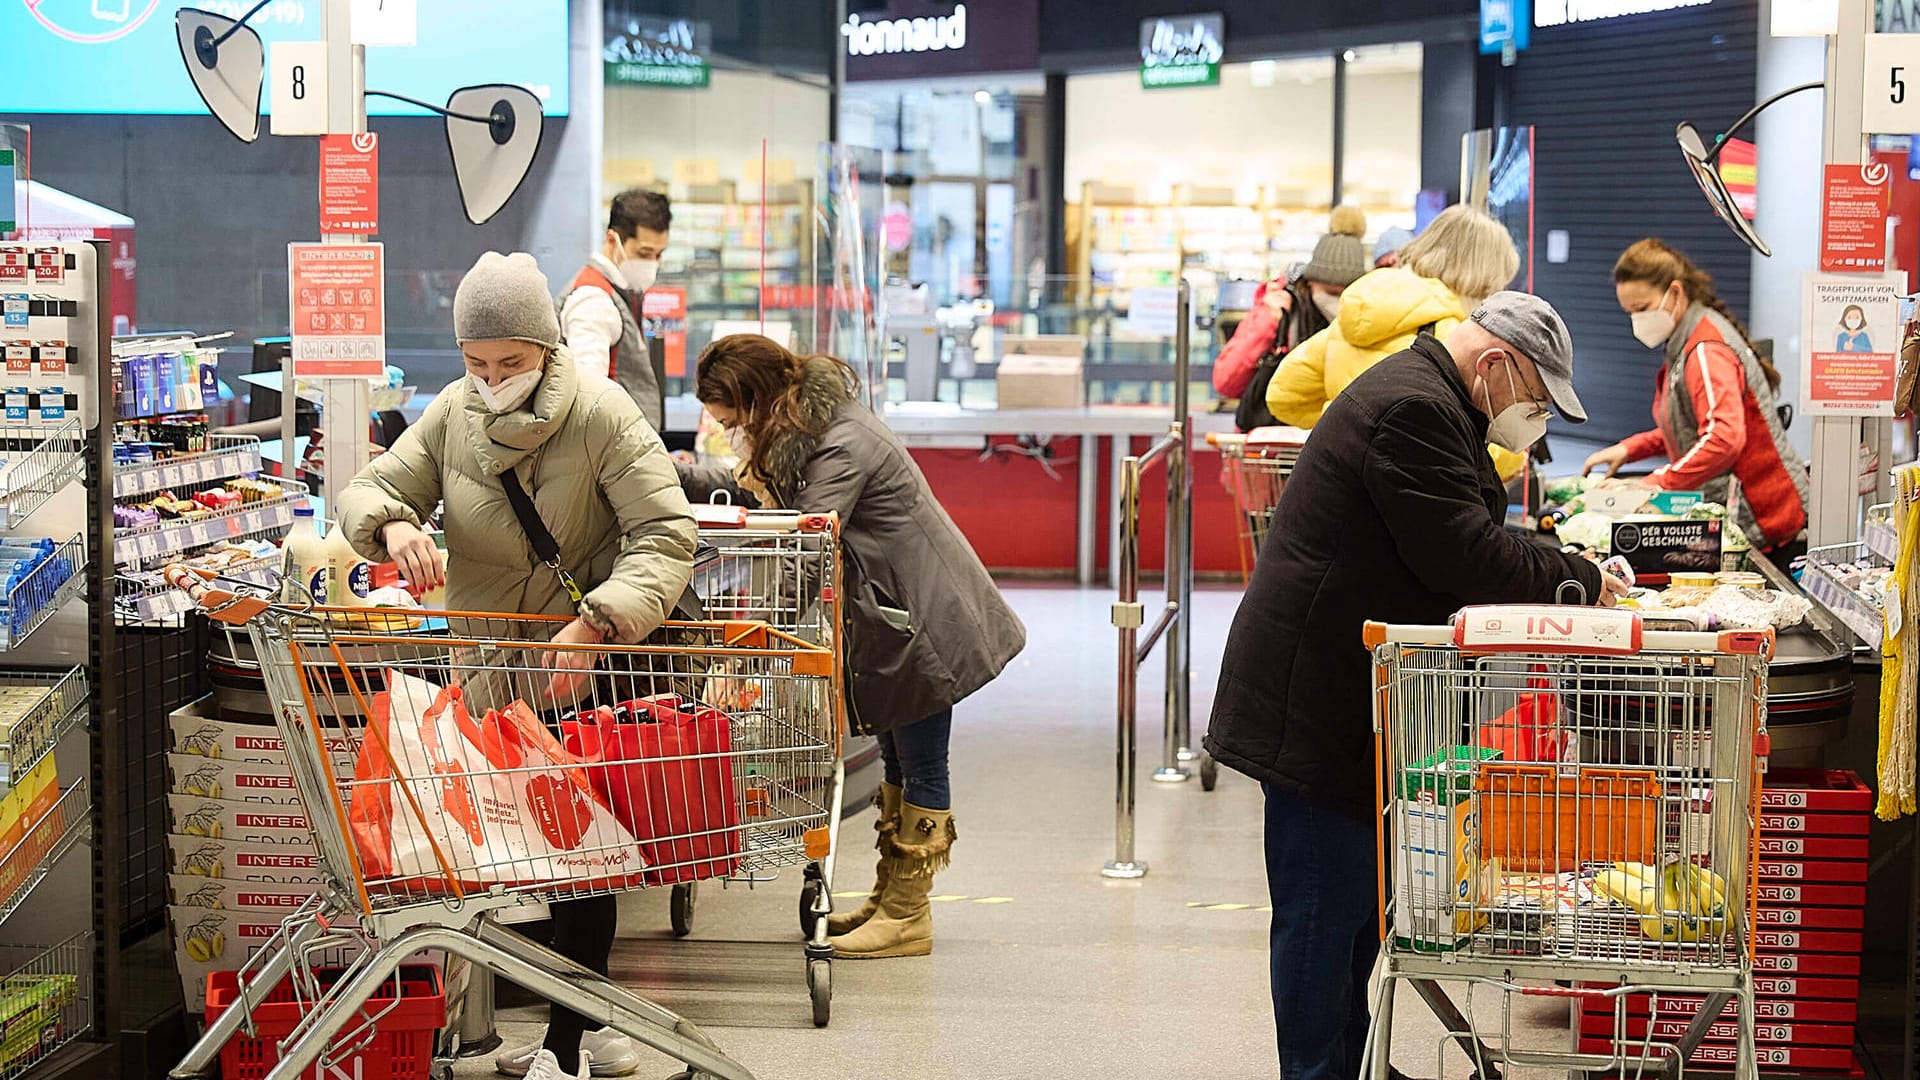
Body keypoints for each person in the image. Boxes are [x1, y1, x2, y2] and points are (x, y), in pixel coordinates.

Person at [1206, 292, 1624, 1080]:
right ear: (1496, 365)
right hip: (1315, 698)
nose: (1532, 422)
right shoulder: (1412, 407)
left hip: (1347, 694)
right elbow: (1462, 554)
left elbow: (1457, 535)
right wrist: (1578, 580)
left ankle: (1349, 1061)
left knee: (1355, 915)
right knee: (1322, 914)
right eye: (1534, 402)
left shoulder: (1431, 395)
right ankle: (1315, 1072)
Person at [338, 252, 699, 1080]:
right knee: (523, 852)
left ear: (545, 348)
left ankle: (567, 1049)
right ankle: (600, 1030)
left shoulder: (602, 414)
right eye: (477, 363)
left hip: (591, 675)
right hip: (494, 677)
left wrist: (598, 622)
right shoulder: (451, 415)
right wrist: (393, 525)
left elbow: (666, 535)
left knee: (581, 853)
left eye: (512, 361)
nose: (492, 378)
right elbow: (367, 489)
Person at [677, 334, 1026, 960]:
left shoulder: (841, 445)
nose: (728, 432)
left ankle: (908, 915)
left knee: (922, 764)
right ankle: (890, 898)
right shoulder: (810, 431)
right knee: (897, 759)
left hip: (921, 622)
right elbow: (748, 487)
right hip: (894, 618)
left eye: (732, 420)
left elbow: (807, 550)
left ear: (758, 404)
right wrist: (672, 477)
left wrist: (745, 648)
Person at [1583, 238, 1810, 569]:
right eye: (1629, 312)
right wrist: (1630, 449)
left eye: (1642, 309)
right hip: (1752, 523)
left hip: (1771, 527)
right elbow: (1689, 426)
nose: (1636, 321)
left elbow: (1723, 438)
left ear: (1675, 293)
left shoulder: (1705, 351)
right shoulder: (1684, 343)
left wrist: (1655, 483)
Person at [1266, 203, 1530, 481]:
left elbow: (1284, 394)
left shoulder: (1355, 311)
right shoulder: (1454, 337)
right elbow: (1472, 443)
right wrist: (1514, 458)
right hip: (1400, 494)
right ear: (1483, 279)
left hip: (1336, 481)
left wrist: (1340, 420)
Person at [1213, 206, 1370, 431]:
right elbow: (1225, 381)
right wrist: (1268, 323)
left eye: (1344, 292)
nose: (1335, 303)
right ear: (1310, 282)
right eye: (1330, 292)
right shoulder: (1280, 307)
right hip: (1271, 449)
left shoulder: (1364, 321)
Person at [560, 189, 673, 431]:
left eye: (659, 254)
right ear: (613, 241)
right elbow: (588, 401)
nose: (652, 262)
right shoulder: (593, 301)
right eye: (644, 253)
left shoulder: (621, 292)